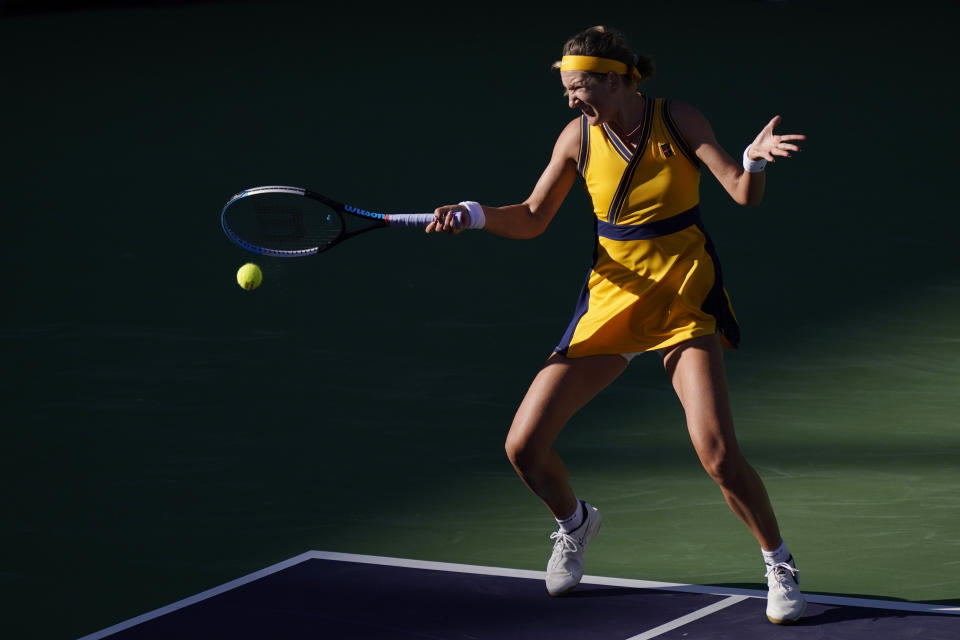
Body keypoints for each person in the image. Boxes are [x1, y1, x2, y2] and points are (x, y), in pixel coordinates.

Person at [426, 25, 807, 625]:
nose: (572, 99)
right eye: (567, 91)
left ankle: (778, 563)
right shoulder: (576, 138)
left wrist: (754, 161)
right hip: (612, 301)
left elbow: (741, 192)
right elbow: (529, 218)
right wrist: (472, 215)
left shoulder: (678, 119)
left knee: (717, 453)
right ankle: (574, 523)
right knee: (524, 447)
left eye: (580, 87)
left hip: (683, 297)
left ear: (616, 79)